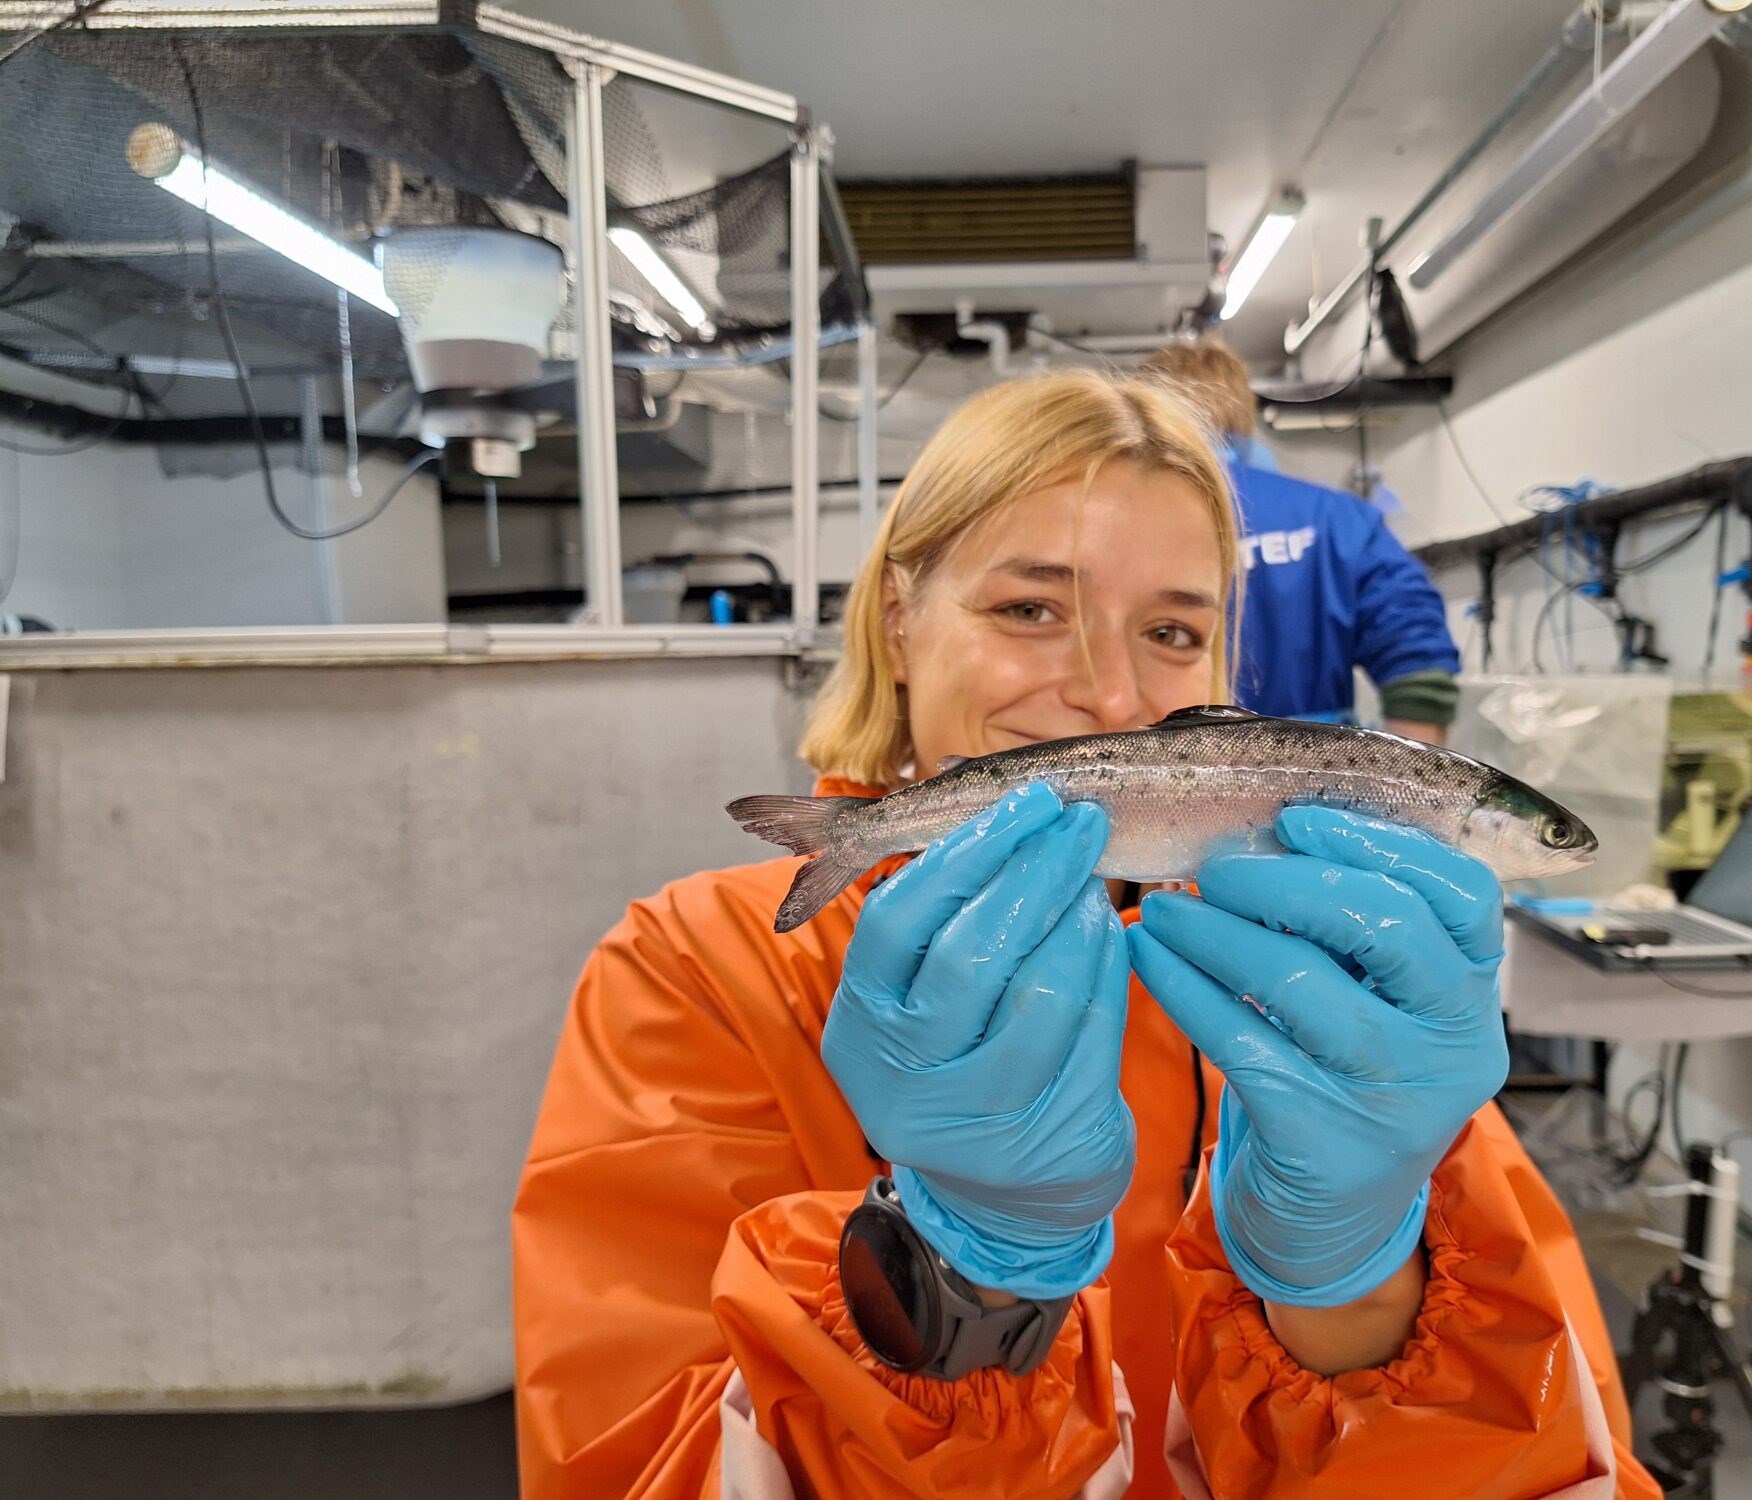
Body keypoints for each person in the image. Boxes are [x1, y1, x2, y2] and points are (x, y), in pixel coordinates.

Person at [513, 371, 1657, 1499]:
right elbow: (634, 1461)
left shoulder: (1331, 983)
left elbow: (1548, 1451)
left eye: (1169, 629)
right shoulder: (699, 967)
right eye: (1027, 609)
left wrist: (1358, 1284)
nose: (1111, 697)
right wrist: (952, 1282)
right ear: (900, 622)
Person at [1140, 338, 1461, 744]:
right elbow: (1420, 669)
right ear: (1245, 411)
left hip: (1163, 775)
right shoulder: (1338, 520)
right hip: (1314, 779)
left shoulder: (1123, 524)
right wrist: (1407, 792)